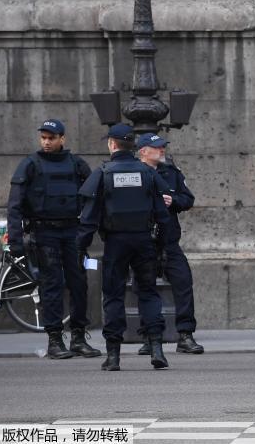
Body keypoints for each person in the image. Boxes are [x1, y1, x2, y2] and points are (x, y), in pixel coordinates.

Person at [76, 123, 172, 371]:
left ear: (112, 144)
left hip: (116, 242)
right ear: (133, 146)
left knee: (113, 295)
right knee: (148, 292)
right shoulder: (147, 173)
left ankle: (113, 356)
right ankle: (156, 348)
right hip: (144, 241)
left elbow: (89, 218)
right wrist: (163, 246)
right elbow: (162, 214)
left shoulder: (103, 173)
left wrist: (80, 248)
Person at [6, 119, 101, 359]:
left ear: (62, 139)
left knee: (79, 284)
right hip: (44, 232)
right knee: (52, 285)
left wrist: (87, 230)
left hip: (72, 232)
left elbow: (93, 197)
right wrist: (15, 243)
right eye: (43, 138)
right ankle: (55, 340)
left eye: (51, 138)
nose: (46, 142)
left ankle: (78, 338)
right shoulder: (30, 165)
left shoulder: (76, 164)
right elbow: (15, 206)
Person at [135, 133, 204, 355]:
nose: (162, 150)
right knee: (145, 289)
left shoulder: (172, 173)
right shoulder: (133, 173)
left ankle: (185, 335)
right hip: (144, 242)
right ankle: (150, 337)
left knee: (183, 283)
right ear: (143, 151)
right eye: (157, 147)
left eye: (163, 146)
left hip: (169, 242)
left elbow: (188, 199)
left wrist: (173, 201)